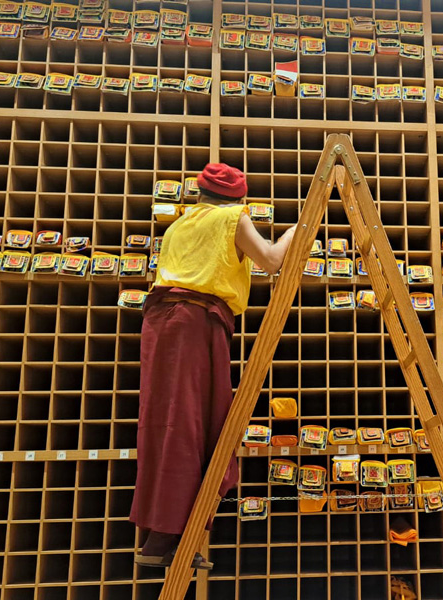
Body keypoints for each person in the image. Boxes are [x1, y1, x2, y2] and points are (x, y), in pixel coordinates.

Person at [131, 163, 296, 569]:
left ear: (200, 193)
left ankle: (164, 536)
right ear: (237, 199)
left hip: (161, 321)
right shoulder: (232, 217)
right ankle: (167, 536)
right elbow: (271, 261)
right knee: (194, 425)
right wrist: (298, 231)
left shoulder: (180, 223)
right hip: (194, 321)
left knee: (167, 422)